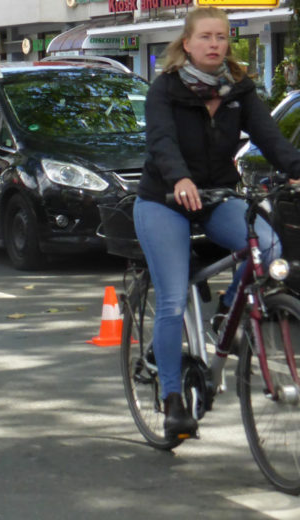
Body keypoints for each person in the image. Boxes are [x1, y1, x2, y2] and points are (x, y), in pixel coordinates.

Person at [135, 7, 300, 441]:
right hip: (165, 199)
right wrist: (180, 177)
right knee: (171, 299)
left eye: (222, 37)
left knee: (267, 246)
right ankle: (172, 401)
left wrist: (296, 166)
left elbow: (271, 138)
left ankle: (227, 309)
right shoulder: (164, 90)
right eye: (206, 37)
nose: (215, 44)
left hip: (216, 196)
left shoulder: (239, 91)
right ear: (187, 44)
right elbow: (161, 141)